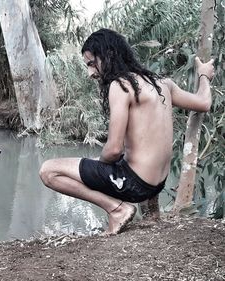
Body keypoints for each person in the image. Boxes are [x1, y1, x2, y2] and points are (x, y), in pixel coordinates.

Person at [39, 28, 215, 235]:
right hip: (156, 185)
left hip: (135, 184)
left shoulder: (120, 85)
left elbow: (113, 150)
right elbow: (203, 103)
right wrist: (204, 75)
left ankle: (117, 209)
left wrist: (98, 166)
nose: (90, 73)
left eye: (91, 63)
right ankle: (151, 215)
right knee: (115, 161)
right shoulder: (163, 84)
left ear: (109, 55)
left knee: (48, 171)